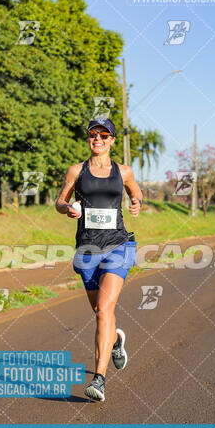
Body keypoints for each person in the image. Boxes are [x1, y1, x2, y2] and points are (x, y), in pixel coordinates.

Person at [55, 118, 142, 402]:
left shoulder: (124, 171)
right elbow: (59, 201)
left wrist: (136, 202)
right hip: (87, 249)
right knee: (99, 311)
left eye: (105, 135)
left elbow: (135, 191)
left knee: (104, 310)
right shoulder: (76, 171)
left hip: (119, 245)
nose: (98, 139)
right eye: (94, 134)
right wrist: (66, 208)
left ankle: (99, 380)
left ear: (113, 140)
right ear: (89, 138)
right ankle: (115, 340)